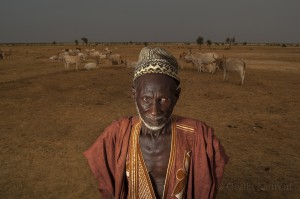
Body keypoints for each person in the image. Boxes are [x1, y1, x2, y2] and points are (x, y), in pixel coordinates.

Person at [84, 47, 229, 199]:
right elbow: (109, 187)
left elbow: (205, 185)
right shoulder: (117, 134)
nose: (154, 111)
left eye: (163, 99)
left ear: (176, 96)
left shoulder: (198, 136)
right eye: (146, 99)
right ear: (134, 95)